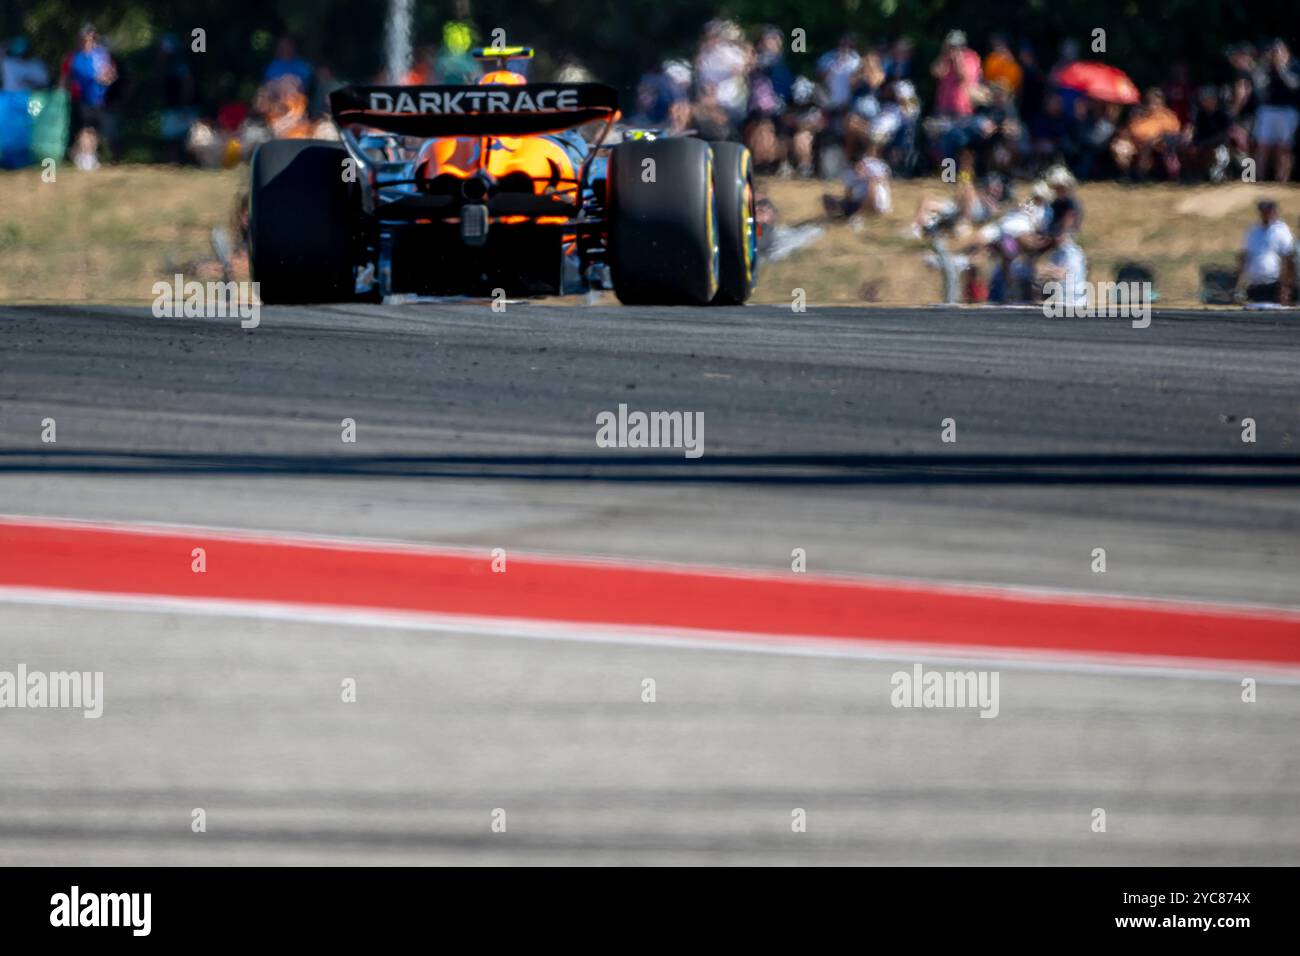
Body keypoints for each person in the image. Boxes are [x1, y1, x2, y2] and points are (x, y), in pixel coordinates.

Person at [1252, 39, 1300, 183]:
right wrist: (1264, 65)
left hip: (1287, 111)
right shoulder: (1266, 67)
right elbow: (1259, 86)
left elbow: (1294, 85)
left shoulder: (1294, 65)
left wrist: (1282, 69)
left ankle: (1282, 181)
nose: (1276, 54)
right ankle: (1258, 179)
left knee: (1284, 147)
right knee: (1262, 146)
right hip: (1267, 110)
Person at [1236, 200, 1295, 304]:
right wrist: (1239, 282)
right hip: (1255, 284)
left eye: (1269, 211)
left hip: (1274, 284)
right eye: (1263, 211)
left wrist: (1285, 286)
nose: (1266, 214)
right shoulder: (1253, 231)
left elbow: (1287, 259)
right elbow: (1245, 256)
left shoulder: (1281, 230)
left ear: (1274, 212)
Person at [930, 29, 981, 119]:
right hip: (943, 105)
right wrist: (943, 55)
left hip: (961, 108)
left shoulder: (971, 58)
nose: (952, 48)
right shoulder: (945, 57)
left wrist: (957, 59)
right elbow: (936, 73)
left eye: (955, 46)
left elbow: (963, 77)